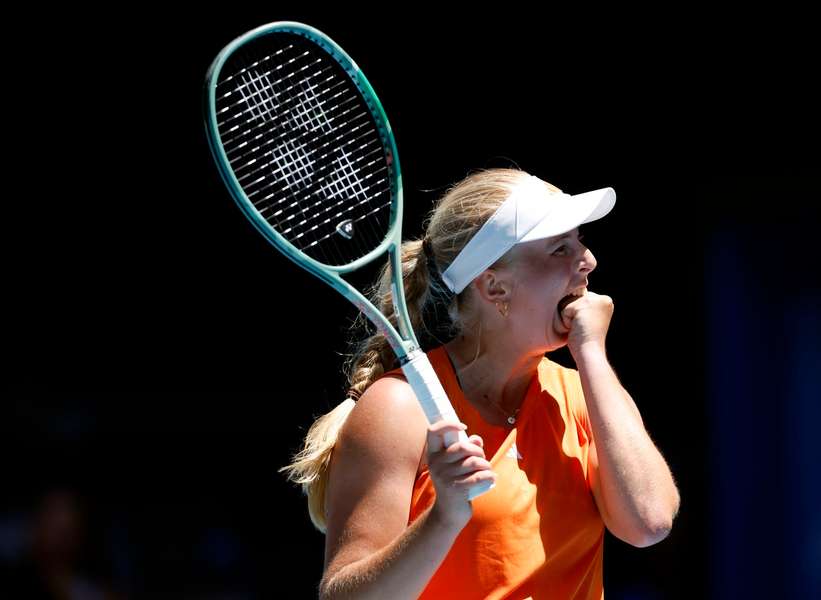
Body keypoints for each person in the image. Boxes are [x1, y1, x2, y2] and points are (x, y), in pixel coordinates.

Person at [281, 168, 680, 599]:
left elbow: (648, 522)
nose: (588, 261)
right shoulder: (399, 408)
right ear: (494, 287)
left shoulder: (584, 389)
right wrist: (445, 516)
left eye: (580, 241)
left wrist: (591, 355)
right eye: (560, 249)